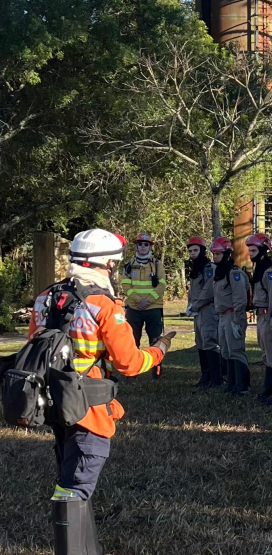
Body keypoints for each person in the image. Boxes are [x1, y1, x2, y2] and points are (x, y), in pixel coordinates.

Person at [34, 229, 175, 555]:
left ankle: (87, 547)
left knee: (71, 475)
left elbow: (36, 348)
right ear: (107, 263)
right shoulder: (104, 304)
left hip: (56, 404)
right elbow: (129, 363)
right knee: (75, 484)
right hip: (90, 409)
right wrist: (159, 350)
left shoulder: (46, 297)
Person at [121, 233, 167, 379]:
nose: (142, 246)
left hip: (153, 308)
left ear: (150, 247)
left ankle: (157, 370)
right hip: (134, 308)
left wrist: (147, 300)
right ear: (136, 246)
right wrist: (138, 300)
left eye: (146, 244)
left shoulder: (158, 264)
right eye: (140, 244)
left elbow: (162, 285)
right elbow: (125, 285)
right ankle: (132, 371)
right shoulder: (128, 265)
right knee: (133, 340)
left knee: (155, 339)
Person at [246, 234, 272, 404]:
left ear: (262, 251)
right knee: (266, 354)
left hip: (269, 315)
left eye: (253, 250)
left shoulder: (270, 272)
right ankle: (267, 389)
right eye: (249, 250)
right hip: (261, 315)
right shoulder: (259, 269)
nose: (250, 253)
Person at [210, 237, 251, 396]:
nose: (215, 257)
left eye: (218, 254)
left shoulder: (234, 273)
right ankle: (232, 383)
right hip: (222, 316)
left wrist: (237, 320)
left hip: (234, 315)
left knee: (236, 350)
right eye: (213, 254)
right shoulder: (220, 273)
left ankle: (243, 385)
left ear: (227, 254)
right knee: (226, 351)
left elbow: (240, 298)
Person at [186, 236, 220, 388]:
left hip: (207, 309)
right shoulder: (196, 268)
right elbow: (193, 290)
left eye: (195, 250)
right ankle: (205, 376)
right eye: (190, 251)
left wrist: (196, 305)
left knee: (209, 342)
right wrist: (190, 305)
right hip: (197, 310)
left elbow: (208, 290)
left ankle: (216, 378)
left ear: (202, 251)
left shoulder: (208, 268)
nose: (192, 253)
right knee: (200, 342)